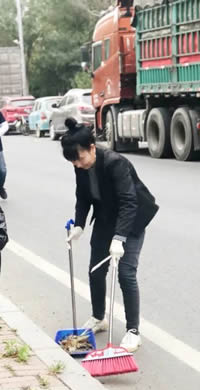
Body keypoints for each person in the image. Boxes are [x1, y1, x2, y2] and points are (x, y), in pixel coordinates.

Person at [62, 118, 159, 352]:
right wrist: (79, 225)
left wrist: (120, 238)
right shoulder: (80, 166)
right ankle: (99, 317)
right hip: (105, 219)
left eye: (80, 158)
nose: (77, 164)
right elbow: (82, 197)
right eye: (73, 161)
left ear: (92, 148)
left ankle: (133, 330)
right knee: (95, 270)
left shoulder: (115, 163)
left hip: (131, 220)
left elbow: (129, 202)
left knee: (125, 273)